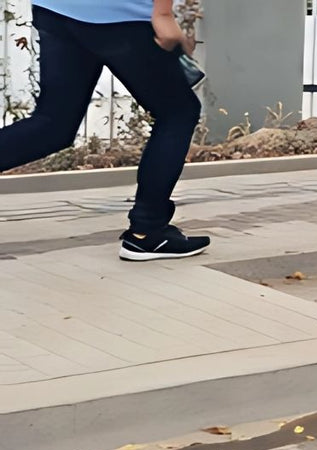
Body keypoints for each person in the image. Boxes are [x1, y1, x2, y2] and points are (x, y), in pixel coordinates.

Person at [0, 0, 210, 260]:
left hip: (56, 9)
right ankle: (147, 231)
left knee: (53, 124)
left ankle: (149, 230)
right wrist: (163, 13)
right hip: (119, 16)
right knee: (177, 112)